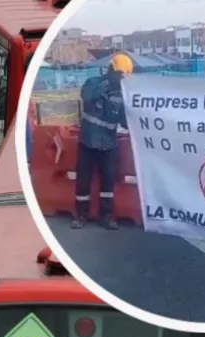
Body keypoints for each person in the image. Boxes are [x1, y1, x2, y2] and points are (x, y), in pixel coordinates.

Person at [72, 52, 132, 230]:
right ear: (111, 70)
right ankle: (81, 215)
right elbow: (87, 98)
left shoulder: (123, 94)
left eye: (124, 76)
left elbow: (124, 121)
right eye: (119, 74)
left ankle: (105, 216)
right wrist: (106, 85)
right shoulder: (93, 83)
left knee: (108, 182)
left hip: (109, 145)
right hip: (88, 142)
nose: (121, 79)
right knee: (83, 181)